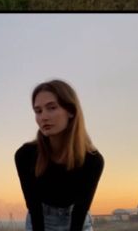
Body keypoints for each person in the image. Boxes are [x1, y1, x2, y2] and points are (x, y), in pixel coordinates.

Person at [15, 79, 104, 231]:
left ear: (71, 111)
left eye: (51, 108)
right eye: (38, 111)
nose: (43, 117)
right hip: (40, 221)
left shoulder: (92, 160)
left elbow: (80, 212)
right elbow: (35, 210)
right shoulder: (25, 155)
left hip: (78, 222)